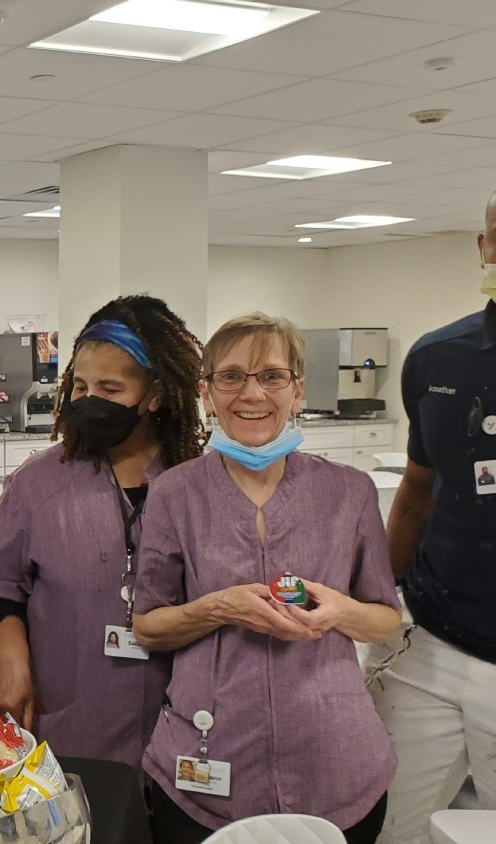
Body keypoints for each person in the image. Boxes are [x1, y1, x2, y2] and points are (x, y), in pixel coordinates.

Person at [132, 313, 401, 844]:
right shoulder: (174, 493)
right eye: (231, 376)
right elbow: (148, 626)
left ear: (297, 390)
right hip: (209, 763)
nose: (251, 393)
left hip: (335, 762)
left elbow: (385, 616)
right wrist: (220, 606)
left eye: (272, 376)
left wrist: (340, 612)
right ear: (207, 394)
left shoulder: (348, 492)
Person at [372, 167, 496, 842]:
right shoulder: (436, 356)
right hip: (428, 639)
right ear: (484, 248)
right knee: (391, 823)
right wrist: (377, 599)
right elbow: (418, 492)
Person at [0, 296, 204, 768]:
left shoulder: (198, 485)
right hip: (70, 725)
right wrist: (12, 662)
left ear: (155, 395)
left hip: (181, 729)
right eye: (79, 386)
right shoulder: (40, 483)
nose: (88, 400)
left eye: (110, 388)